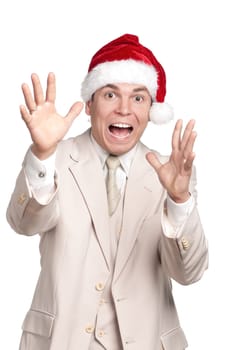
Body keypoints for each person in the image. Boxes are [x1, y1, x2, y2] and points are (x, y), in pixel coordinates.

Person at [6, 34, 208, 350]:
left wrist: (179, 202)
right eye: (110, 95)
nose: (124, 109)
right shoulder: (55, 158)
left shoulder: (171, 175)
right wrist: (42, 154)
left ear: (152, 110)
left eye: (138, 98)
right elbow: (24, 223)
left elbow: (188, 273)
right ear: (89, 104)